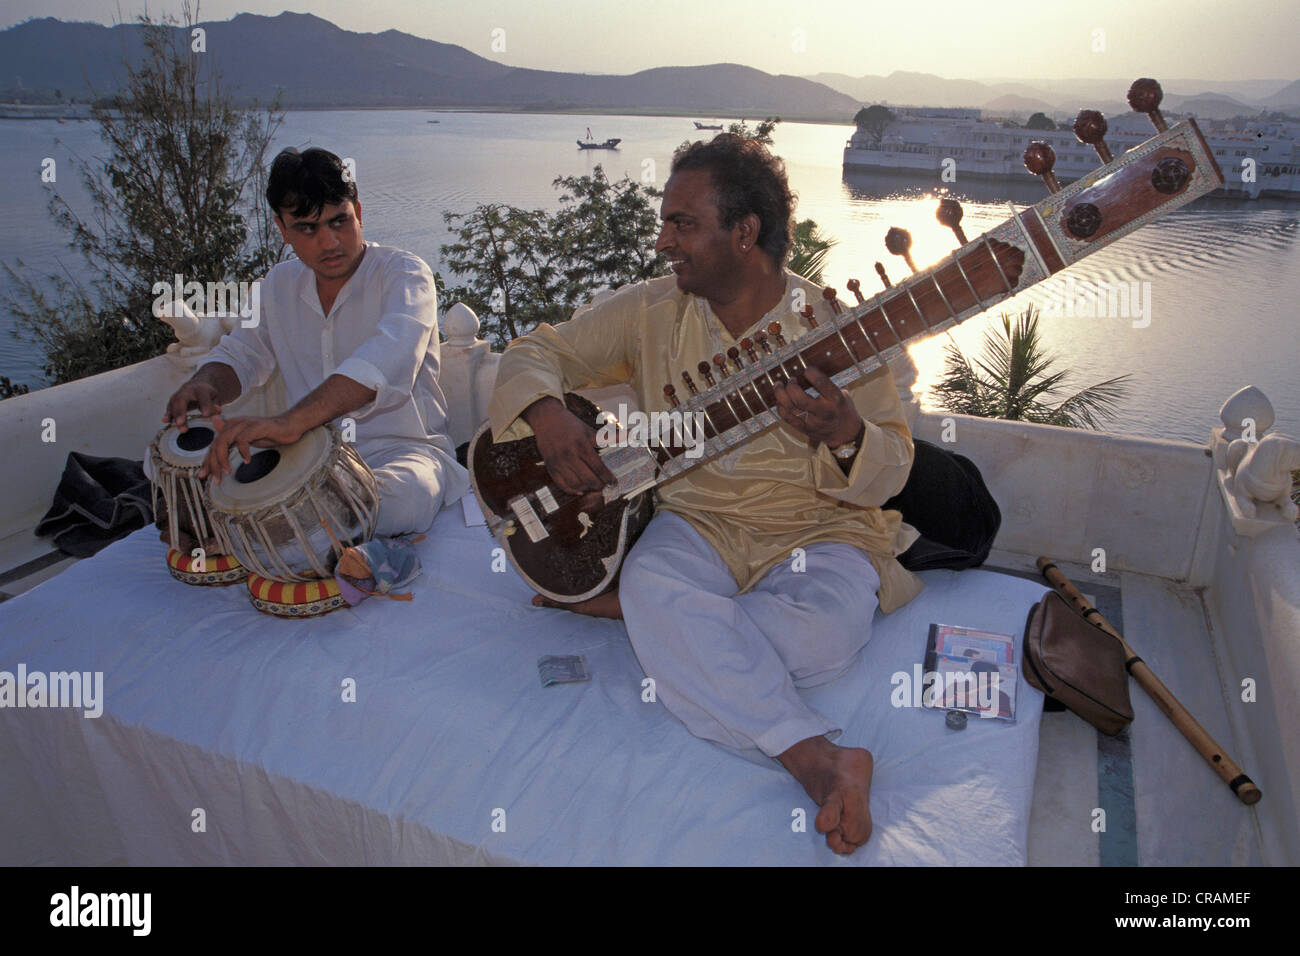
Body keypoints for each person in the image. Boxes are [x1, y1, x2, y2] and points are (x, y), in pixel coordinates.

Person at [486, 134, 923, 855]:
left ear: (744, 233)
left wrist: (846, 433)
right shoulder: (652, 311)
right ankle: (817, 758)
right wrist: (547, 412)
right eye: (667, 222)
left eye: (683, 224)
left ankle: (656, 622)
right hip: (701, 525)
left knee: (824, 642)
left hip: (818, 532)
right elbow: (537, 350)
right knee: (665, 583)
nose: (664, 241)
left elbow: (894, 464)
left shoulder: (835, 334)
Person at [162, 147, 468, 539]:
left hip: (402, 453)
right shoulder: (278, 284)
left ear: (358, 211)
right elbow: (241, 353)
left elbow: (386, 359)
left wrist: (291, 422)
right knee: (188, 466)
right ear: (282, 229)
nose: (330, 242)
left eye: (339, 220)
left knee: (407, 496)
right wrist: (205, 384)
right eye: (308, 228)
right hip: (303, 456)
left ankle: (260, 530)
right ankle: (287, 527)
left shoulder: (404, 274)